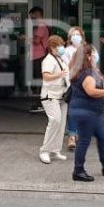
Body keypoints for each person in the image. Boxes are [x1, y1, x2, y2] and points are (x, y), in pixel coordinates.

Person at [69, 43, 104, 182]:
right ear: (87, 56)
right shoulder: (86, 74)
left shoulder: (86, 70)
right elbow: (91, 91)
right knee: (84, 141)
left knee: (103, 137)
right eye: (93, 53)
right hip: (85, 112)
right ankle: (78, 171)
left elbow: (97, 85)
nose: (95, 56)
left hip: (92, 112)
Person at [62, 25, 99, 149]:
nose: (76, 37)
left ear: (82, 37)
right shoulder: (66, 51)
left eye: (78, 35)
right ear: (69, 38)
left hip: (87, 82)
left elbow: (94, 63)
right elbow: (65, 67)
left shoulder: (90, 49)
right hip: (73, 83)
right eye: (73, 35)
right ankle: (72, 136)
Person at [38, 35, 70, 164]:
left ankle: (55, 150)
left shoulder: (61, 59)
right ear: (52, 47)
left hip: (61, 95)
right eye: (59, 46)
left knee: (61, 123)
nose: (62, 48)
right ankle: (44, 150)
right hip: (50, 95)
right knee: (55, 120)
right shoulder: (48, 60)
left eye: (62, 45)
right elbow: (46, 76)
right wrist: (60, 74)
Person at [27, 7, 49, 113]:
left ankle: (42, 103)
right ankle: (41, 101)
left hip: (40, 56)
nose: (31, 19)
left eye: (32, 16)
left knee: (40, 80)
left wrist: (26, 38)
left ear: (37, 14)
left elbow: (36, 41)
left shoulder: (41, 26)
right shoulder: (41, 25)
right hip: (37, 56)